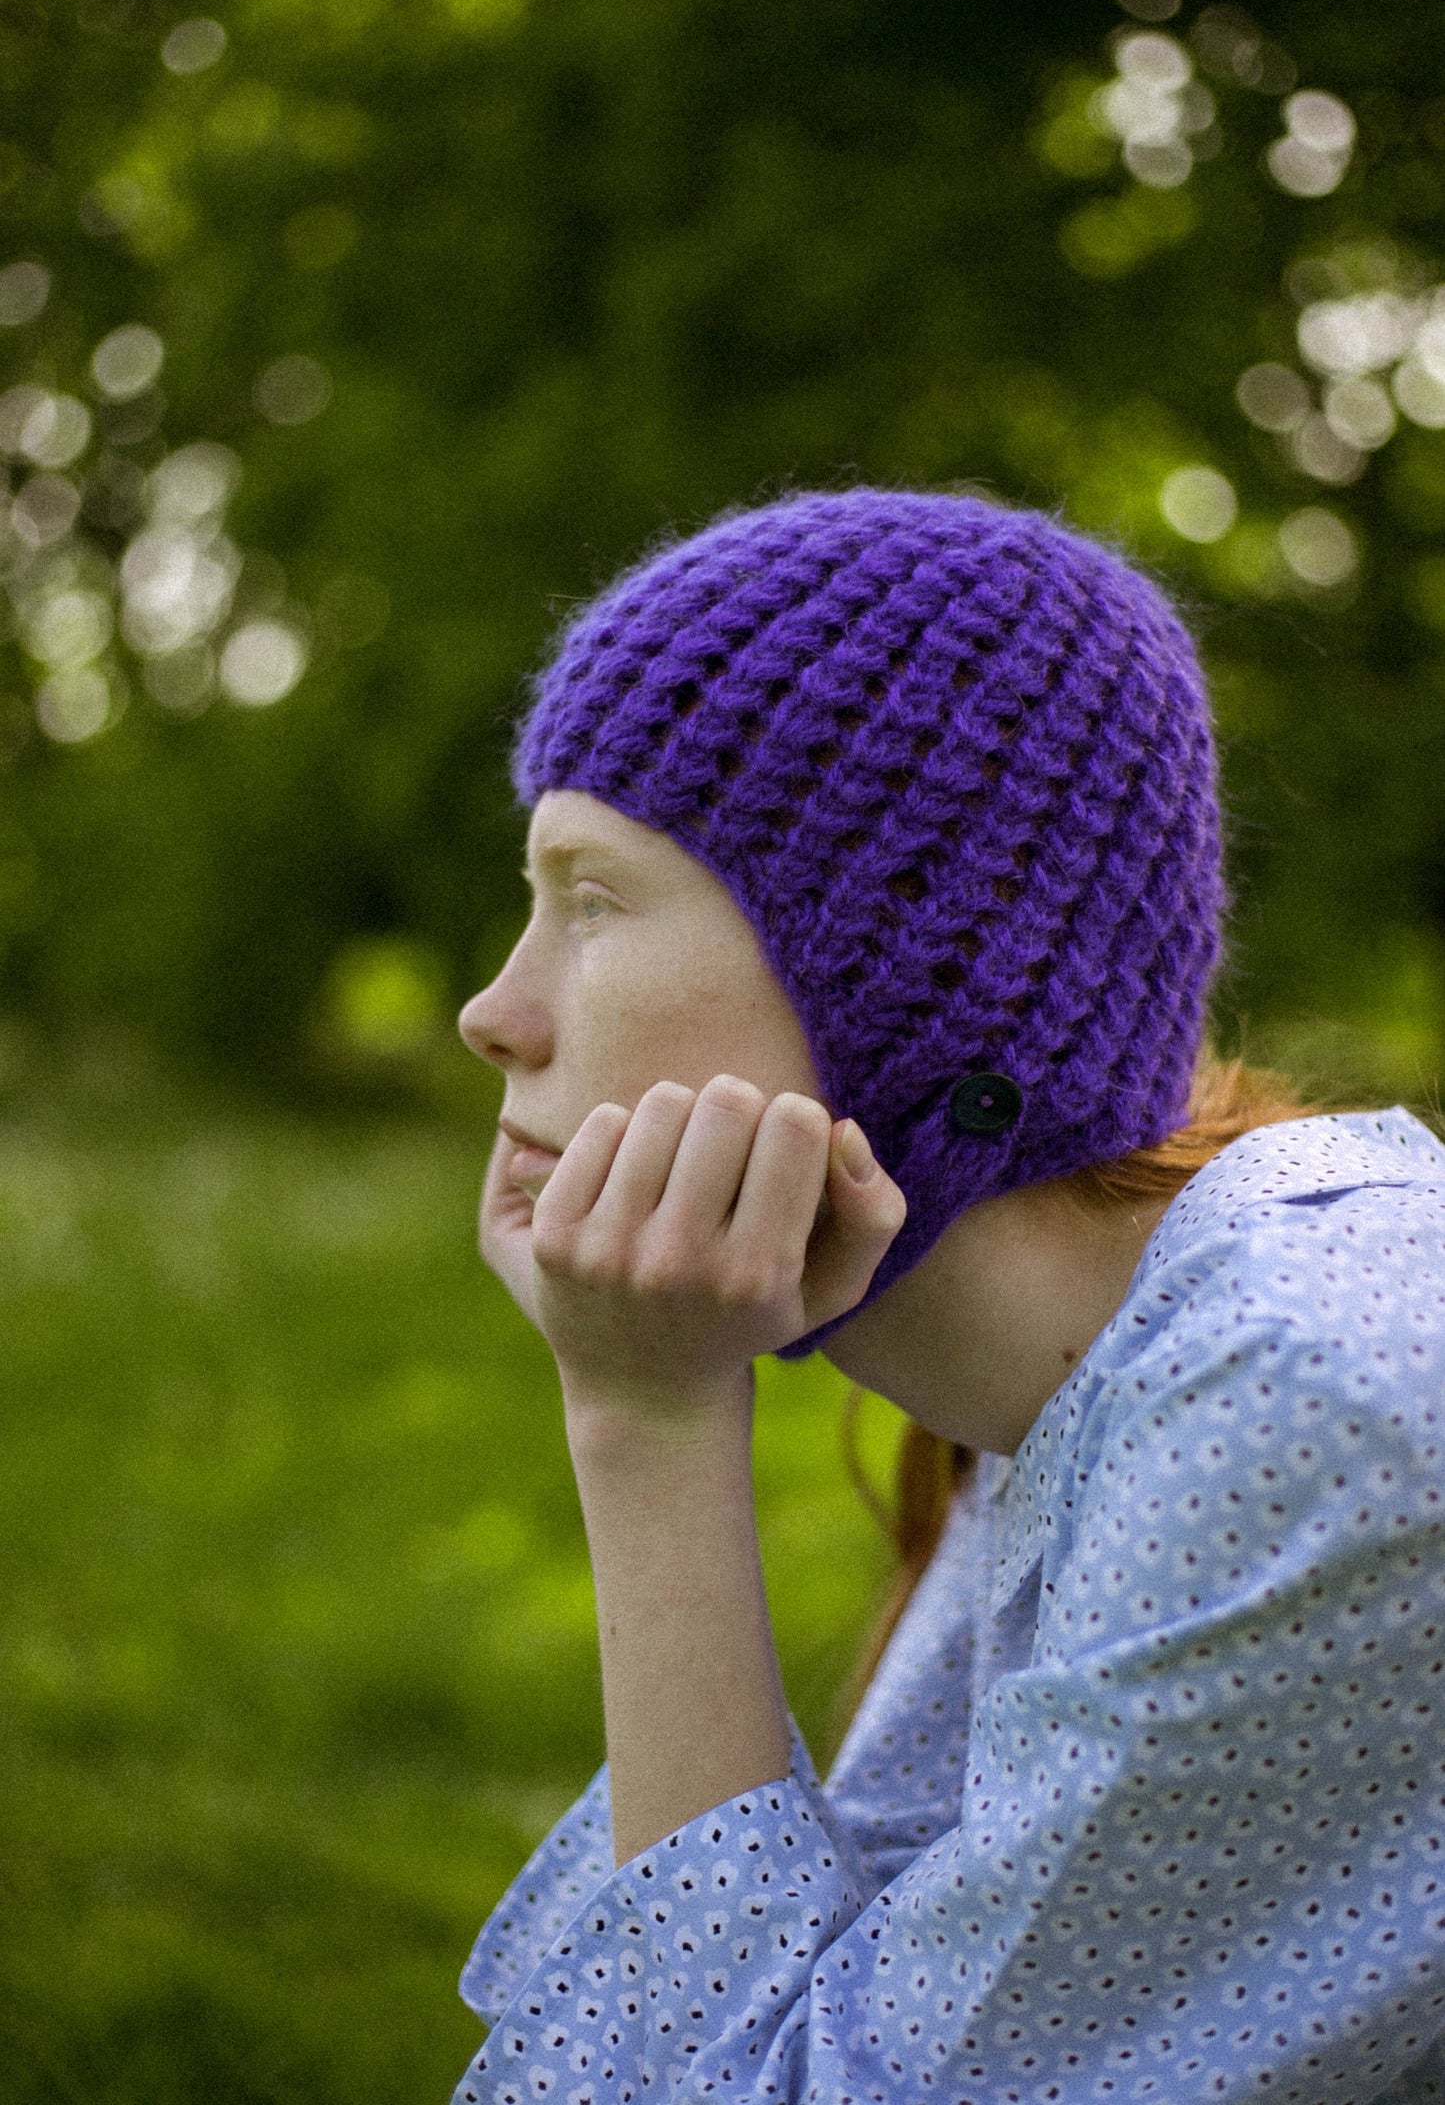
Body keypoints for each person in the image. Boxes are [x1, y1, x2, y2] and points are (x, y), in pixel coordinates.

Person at [451, 488, 1445, 2104]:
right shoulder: (1086, 1376)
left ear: (916, 965)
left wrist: (645, 1421)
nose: (492, 1011)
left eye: (593, 898)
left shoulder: (1304, 1417)